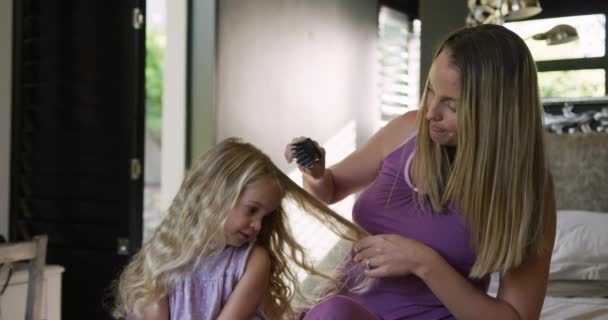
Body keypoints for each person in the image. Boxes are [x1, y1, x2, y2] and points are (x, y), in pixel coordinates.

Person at [285, 24, 556, 319]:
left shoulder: (528, 189)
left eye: (451, 105)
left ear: (495, 113)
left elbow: (516, 316)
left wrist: (424, 263)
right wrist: (315, 172)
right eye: (430, 92)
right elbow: (330, 188)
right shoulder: (406, 130)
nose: (430, 113)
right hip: (342, 310)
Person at [112, 138, 367, 320]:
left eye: (265, 217)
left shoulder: (252, 262)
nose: (257, 225)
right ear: (213, 194)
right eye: (251, 210)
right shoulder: (163, 252)